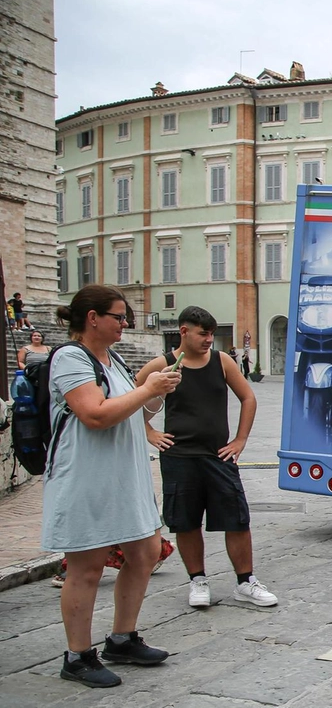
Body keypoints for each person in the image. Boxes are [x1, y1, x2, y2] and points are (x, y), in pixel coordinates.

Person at [43, 285, 182, 688]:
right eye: (119, 317)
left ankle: (122, 638)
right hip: (87, 477)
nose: (125, 324)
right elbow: (95, 415)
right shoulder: (70, 358)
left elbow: (133, 407)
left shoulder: (114, 359)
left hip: (126, 475)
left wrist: (156, 394)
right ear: (92, 318)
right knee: (86, 568)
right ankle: (77, 656)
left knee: (146, 552)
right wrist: (147, 389)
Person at [136, 306, 276, 610]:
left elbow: (248, 397)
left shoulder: (221, 361)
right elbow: (130, 394)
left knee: (237, 519)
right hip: (179, 457)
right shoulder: (163, 365)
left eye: (211, 333)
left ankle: (245, 582)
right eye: (203, 333)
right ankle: (197, 581)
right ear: (184, 331)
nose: (209, 339)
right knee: (186, 523)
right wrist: (149, 432)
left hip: (218, 456)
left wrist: (240, 440)